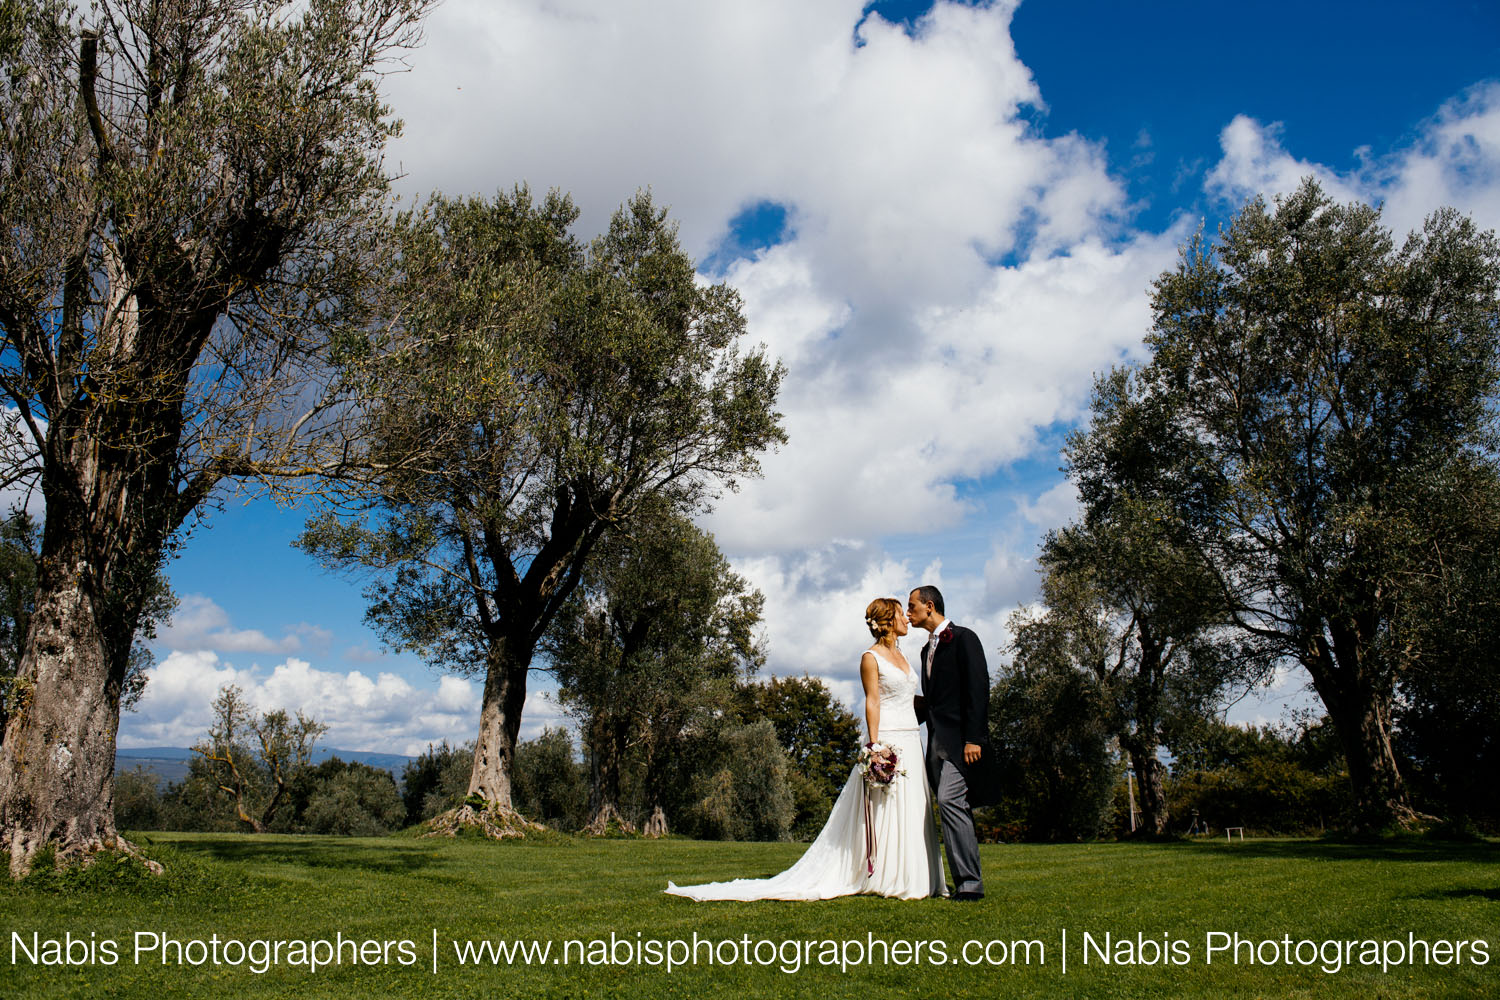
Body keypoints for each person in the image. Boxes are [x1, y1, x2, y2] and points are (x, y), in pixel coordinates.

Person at [664, 598, 946, 901]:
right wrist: (874, 746)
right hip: (889, 738)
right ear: (888, 621)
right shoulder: (870, 657)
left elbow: (908, 696)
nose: (907, 617)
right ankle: (886, 876)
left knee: (913, 805)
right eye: (900, 613)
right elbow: (873, 701)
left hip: (912, 737)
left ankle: (915, 874)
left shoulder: (904, 655)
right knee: (885, 808)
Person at [907, 584, 997, 901]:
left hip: (962, 743)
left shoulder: (964, 639)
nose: (908, 614)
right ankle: (963, 882)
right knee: (950, 804)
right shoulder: (924, 650)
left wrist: (975, 738)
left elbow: (978, 688)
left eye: (911, 606)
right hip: (935, 743)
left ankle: (970, 883)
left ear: (929, 606)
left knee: (948, 800)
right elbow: (933, 702)